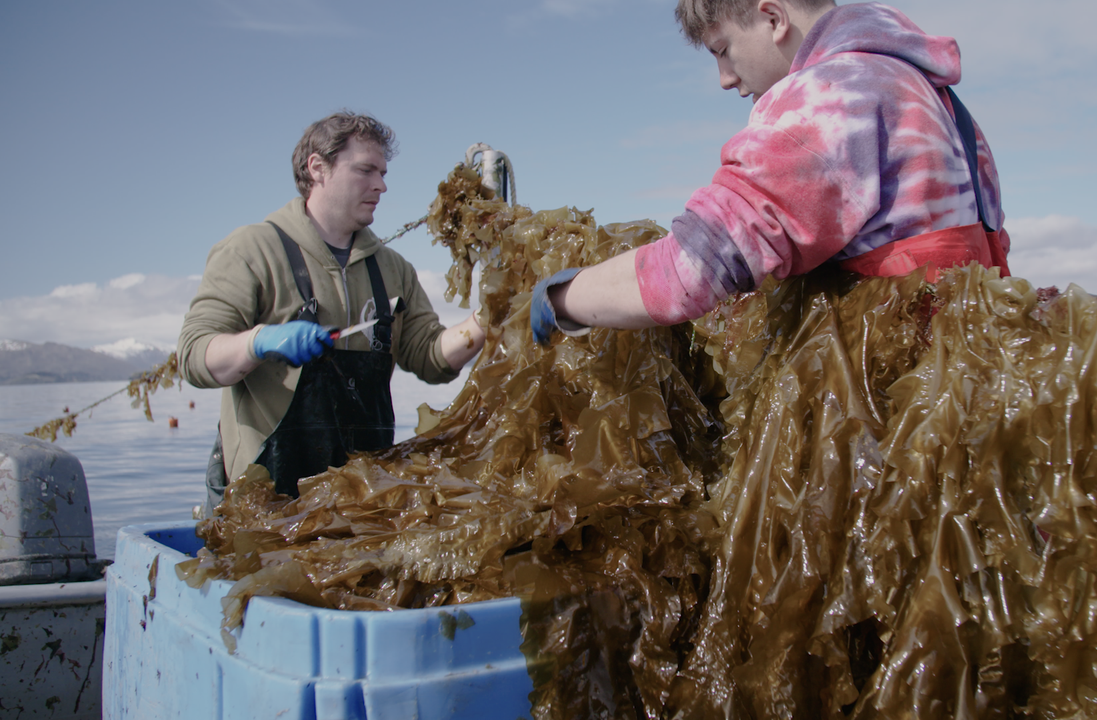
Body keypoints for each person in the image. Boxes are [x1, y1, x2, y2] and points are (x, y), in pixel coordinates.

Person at [532, 0, 1010, 343]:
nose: (724, 78)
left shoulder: (828, 97)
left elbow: (695, 269)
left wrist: (565, 299)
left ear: (773, 17)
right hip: (969, 375)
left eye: (722, 49)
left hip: (890, 392)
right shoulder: (933, 96)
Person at [178, 112, 485, 508]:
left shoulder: (393, 269)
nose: (381, 185)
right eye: (366, 170)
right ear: (318, 168)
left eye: (383, 172)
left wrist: (485, 320)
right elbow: (194, 354)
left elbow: (429, 357)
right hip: (264, 505)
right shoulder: (251, 250)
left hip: (363, 503)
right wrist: (258, 342)